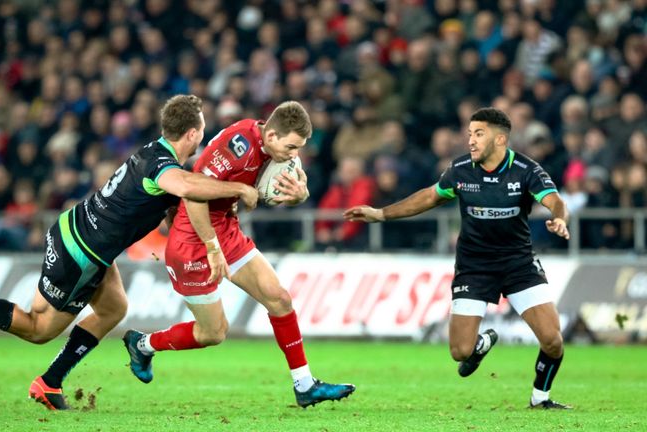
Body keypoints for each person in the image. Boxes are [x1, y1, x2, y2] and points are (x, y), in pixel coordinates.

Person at [0, 95, 260, 411]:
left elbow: (175, 207)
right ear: (195, 135)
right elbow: (184, 186)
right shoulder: (163, 168)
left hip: (79, 233)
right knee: (38, 328)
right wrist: (239, 189)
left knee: (114, 308)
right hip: (80, 252)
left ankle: (49, 382)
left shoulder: (156, 153)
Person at [123, 101, 356, 408]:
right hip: (193, 237)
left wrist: (302, 194)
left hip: (226, 229)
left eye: (298, 148)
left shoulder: (271, 146)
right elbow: (193, 195)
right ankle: (142, 344)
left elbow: (284, 185)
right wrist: (212, 247)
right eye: (291, 147)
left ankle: (304, 384)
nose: (294, 154)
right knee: (213, 332)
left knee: (279, 299)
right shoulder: (237, 149)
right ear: (271, 136)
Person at [344, 107, 571, 409]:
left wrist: (559, 218)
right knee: (460, 352)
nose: (471, 141)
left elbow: (555, 200)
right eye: (470, 134)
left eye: (479, 134)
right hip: (474, 265)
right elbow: (429, 196)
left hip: (518, 263)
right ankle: (481, 343)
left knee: (553, 340)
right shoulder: (461, 169)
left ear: (500, 139)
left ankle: (540, 397)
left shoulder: (527, 171)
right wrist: (381, 213)